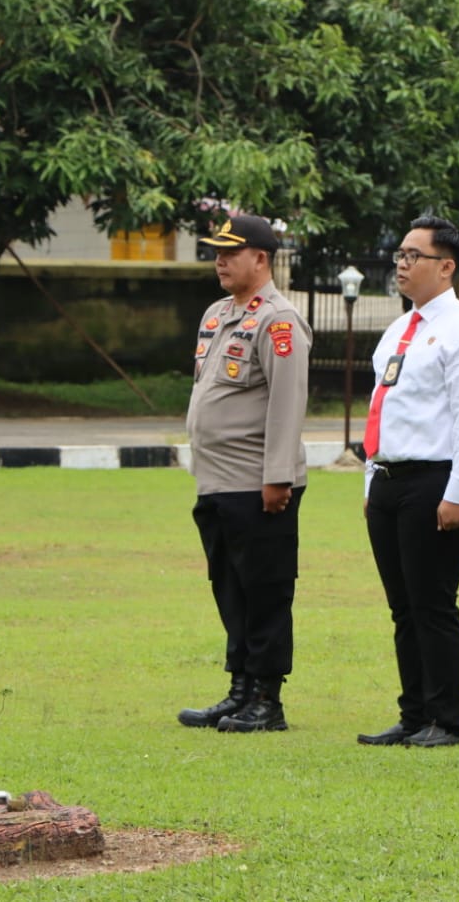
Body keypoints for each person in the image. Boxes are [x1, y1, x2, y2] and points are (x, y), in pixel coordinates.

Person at [357, 217, 459, 749]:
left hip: (439, 480)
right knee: (403, 605)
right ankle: (413, 711)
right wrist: (372, 481)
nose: (401, 263)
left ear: (447, 267)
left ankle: (444, 718)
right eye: (399, 253)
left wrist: (458, 492)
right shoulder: (400, 329)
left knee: (434, 602)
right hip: (393, 477)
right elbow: (382, 408)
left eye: (414, 255)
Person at [179, 215, 311, 734]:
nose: (220, 260)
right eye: (217, 251)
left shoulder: (279, 321)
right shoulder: (217, 314)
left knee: (265, 590)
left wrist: (277, 476)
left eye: (231, 252)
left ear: (261, 258)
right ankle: (239, 689)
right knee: (229, 587)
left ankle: (266, 699)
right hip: (217, 482)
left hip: (258, 484)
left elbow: (286, 403)